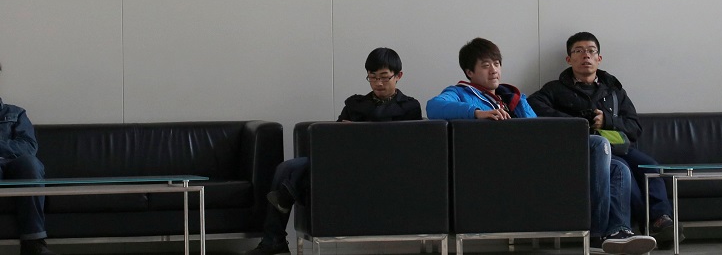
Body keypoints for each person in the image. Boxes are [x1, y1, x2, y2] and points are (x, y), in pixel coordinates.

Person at [427, 38, 655, 255]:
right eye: (485, 65)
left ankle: (617, 231)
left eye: (497, 64)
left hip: (536, 157)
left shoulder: (512, 98)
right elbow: (434, 106)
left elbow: (538, 129)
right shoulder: (461, 94)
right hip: (503, 165)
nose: (494, 70)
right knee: (597, 143)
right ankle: (597, 232)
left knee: (618, 167)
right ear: (469, 72)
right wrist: (476, 113)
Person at [245, 47, 422, 255]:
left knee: (294, 175)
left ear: (398, 76)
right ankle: (273, 238)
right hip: (344, 163)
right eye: (372, 77)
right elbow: (332, 141)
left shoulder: (409, 107)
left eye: (384, 77)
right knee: (286, 167)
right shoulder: (355, 103)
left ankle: (277, 229)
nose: (379, 83)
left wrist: (362, 130)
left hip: (381, 168)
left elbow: (409, 146)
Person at [529, 33, 676, 245]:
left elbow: (635, 127)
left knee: (650, 165)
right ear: (569, 59)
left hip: (619, 146)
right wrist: (579, 122)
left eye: (591, 51)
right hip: (585, 150)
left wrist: (607, 120)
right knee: (623, 170)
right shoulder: (555, 89)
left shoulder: (615, 91)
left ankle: (662, 219)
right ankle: (646, 226)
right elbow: (533, 106)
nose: (585, 56)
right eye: (578, 51)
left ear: (599, 58)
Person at [0, 62, 56, 255]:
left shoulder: (15, 113)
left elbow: (29, 146)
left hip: (16, 165)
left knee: (30, 163)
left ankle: (33, 244)